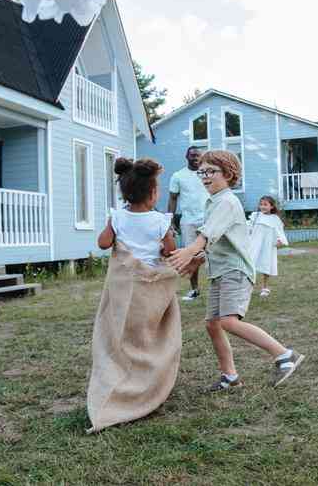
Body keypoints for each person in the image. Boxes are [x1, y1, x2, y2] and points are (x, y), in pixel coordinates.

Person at [168, 150, 304, 391]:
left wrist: (189, 251)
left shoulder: (228, 201)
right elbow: (214, 242)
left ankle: (284, 355)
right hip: (220, 272)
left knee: (229, 321)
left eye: (211, 171)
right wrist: (196, 261)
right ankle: (230, 377)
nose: (204, 176)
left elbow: (206, 235)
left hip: (236, 271)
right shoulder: (213, 201)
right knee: (212, 324)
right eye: (202, 172)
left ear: (229, 174)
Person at [87, 158, 181, 432]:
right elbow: (169, 250)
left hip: (123, 288)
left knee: (121, 336)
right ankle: (145, 383)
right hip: (149, 291)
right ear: (152, 193)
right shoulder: (159, 221)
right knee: (147, 337)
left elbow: (103, 243)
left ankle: (119, 381)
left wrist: (117, 231)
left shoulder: (117, 216)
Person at [167, 146, 209, 301]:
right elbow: (172, 198)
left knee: (213, 252)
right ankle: (195, 290)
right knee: (191, 255)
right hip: (188, 221)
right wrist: (170, 220)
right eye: (192, 155)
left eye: (198, 155)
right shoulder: (178, 176)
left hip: (208, 219)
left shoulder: (207, 173)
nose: (195, 158)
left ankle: (219, 287)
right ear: (187, 157)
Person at [247, 196, 288, 297]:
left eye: (265, 205)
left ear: (272, 206)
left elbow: (279, 231)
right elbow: (248, 227)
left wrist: (280, 241)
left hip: (268, 245)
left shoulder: (275, 219)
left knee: (266, 265)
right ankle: (248, 287)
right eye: (261, 204)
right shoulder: (256, 216)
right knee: (250, 264)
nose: (262, 207)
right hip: (255, 244)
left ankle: (265, 287)